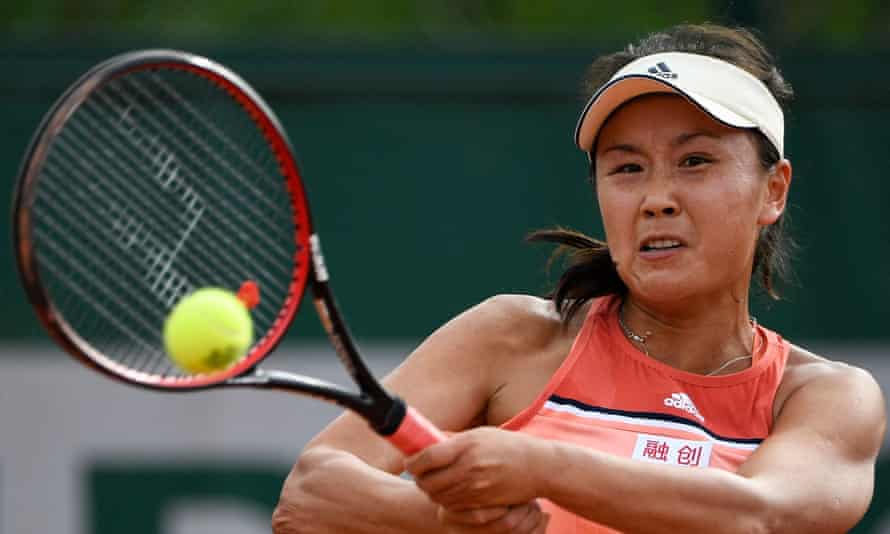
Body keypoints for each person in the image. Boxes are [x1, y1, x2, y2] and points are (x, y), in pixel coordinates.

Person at [272, 24, 886, 533]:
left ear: (773, 190)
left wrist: (542, 468)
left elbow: (760, 518)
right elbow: (310, 495)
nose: (656, 198)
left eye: (695, 161)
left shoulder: (824, 398)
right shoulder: (512, 335)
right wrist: (444, 522)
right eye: (626, 168)